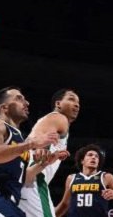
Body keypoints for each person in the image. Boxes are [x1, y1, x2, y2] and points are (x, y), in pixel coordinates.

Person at [0, 86, 59, 217]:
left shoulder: (19, 139)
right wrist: (32, 143)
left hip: (8, 201)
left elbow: (22, 179)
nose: (26, 102)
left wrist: (44, 164)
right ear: (4, 107)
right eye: (19, 98)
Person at [19, 89, 81, 217]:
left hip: (22, 179)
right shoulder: (58, 117)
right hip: (34, 180)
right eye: (71, 99)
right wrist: (42, 149)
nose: (77, 104)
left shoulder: (46, 120)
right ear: (58, 104)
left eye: (78, 102)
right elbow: (43, 136)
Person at [54, 144, 113, 216]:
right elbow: (65, 204)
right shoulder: (71, 178)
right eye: (90, 155)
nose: (94, 157)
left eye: (97, 157)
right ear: (82, 161)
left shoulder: (106, 177)